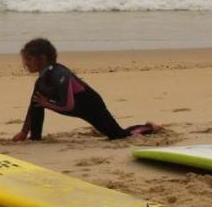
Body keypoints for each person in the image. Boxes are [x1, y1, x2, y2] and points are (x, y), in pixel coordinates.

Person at [12, 38, 158, 142]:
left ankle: (148, 127)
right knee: (37, 101)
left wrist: (46, 103)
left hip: (90, 105)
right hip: (74, 106)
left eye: (29, 59)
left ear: (42, 58)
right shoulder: (42, 80)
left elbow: (69, 105)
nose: (26, 64)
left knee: (118, 135)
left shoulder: (60, 74)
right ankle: (35, 137)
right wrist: (24, 132)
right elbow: (33, 106)